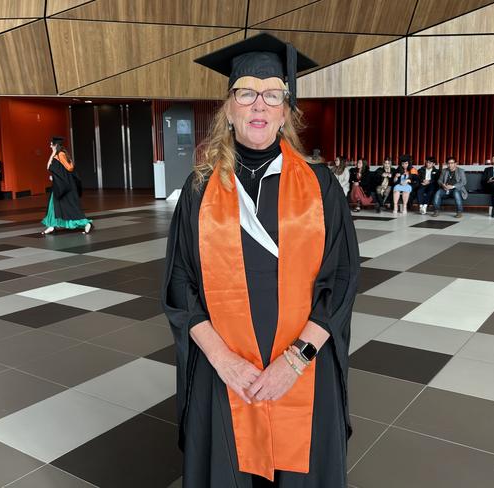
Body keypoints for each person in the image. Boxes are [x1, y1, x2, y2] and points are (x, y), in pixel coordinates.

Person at [162, 33, 359, 488]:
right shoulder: (199, 190)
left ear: (286, 110)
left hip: (303, 368)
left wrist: (296, 360)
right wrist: (222, 360)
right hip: (226, 371)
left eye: (272, 95)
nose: (259, 106)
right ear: (229, 107)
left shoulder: (320, 184)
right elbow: (178, 282)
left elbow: (343, 277)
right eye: (246, 93)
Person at [40, 136, 92, 235]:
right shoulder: (57, 154)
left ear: (55, 145)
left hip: (66, 187)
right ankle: (52, 225)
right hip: (60, 186)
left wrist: (56, 175)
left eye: (51, 144)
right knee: (53, 205)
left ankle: (86, 224)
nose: (50, 145)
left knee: (70, 207)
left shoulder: (61, 154)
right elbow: (49, 167)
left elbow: (69, 168)